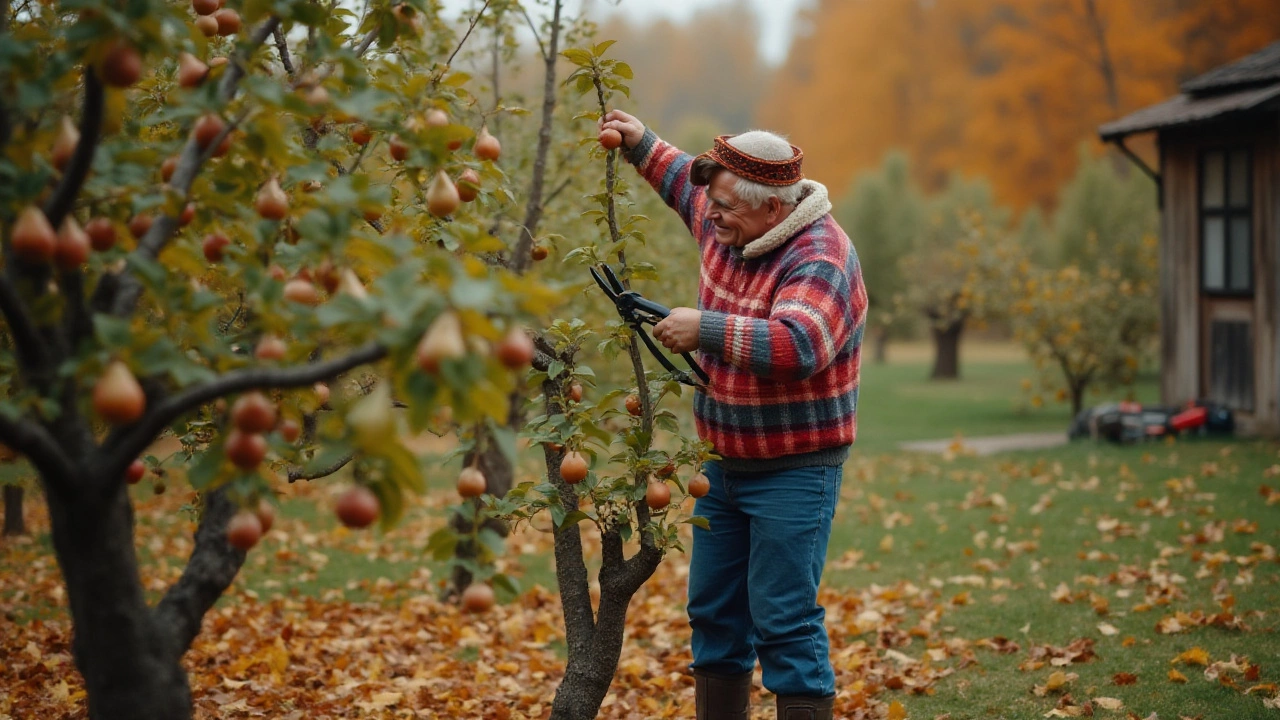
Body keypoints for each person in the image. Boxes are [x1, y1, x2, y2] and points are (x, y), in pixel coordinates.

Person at [599, 109, 867, 720]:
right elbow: (679, 182)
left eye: (723, 205)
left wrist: (708, 329)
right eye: (710, 202)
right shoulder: (731, 222)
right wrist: (640, 141)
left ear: (773, 208)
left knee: (784, 620)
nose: (708, 214)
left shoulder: (821, 256)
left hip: (795, 471)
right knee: (714, 615)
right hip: (721, 465)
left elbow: (799, 345)